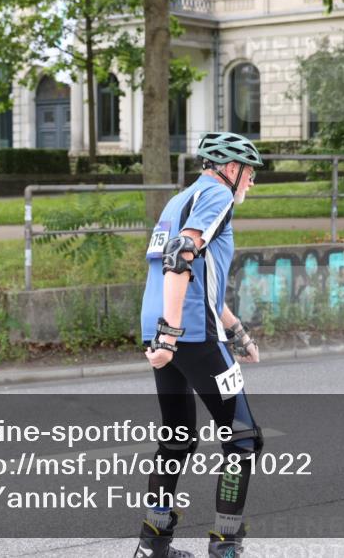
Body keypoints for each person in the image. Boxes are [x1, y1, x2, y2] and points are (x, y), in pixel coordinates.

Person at [134, 132, 264, 558]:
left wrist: (237, 330)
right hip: (188, 335)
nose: (251, 182)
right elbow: (180, 257)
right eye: (249, 173)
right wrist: (174, 334)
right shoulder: (216, 196)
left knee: (177, 437)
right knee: (242, 440)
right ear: (231, 168)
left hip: (162, 330)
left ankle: (153, 545)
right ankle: (225, 547)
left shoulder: (179, 199)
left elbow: (197, 280)